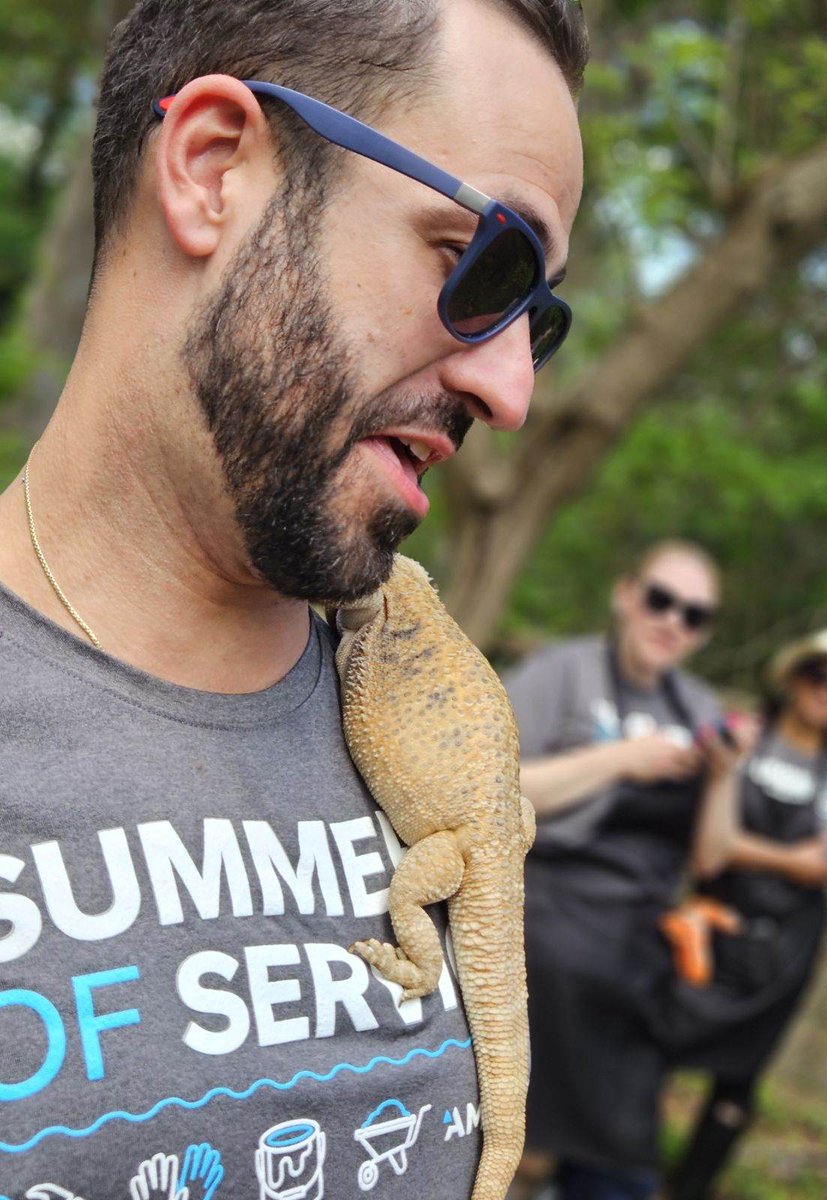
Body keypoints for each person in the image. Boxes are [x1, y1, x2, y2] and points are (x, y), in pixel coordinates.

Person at [0, 1, 587, 1195]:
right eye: (486, 263)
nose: (513, 389)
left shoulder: (410, 671)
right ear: (215, 170)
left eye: (539, 315)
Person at [503, 540, 749, 1200]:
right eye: (661, 600)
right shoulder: (562, 671)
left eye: (694, 615)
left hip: (636, 946)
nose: (672, 621)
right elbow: (490, 790)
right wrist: (617, 760)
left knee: (625, 1170)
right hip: (544, 915)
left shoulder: (698, 706)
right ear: (625, 594)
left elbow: (712, 860)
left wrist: (724, 780)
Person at [668, 626, 827, 1200]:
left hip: (787, 944)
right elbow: (711, 842)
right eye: (821, 676)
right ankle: (609, 1168)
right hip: (710, 925)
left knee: (738, 1083)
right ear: (798, 676)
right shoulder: (743, 737)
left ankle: (689, 1188)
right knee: (652, 1042)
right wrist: (787, 859)